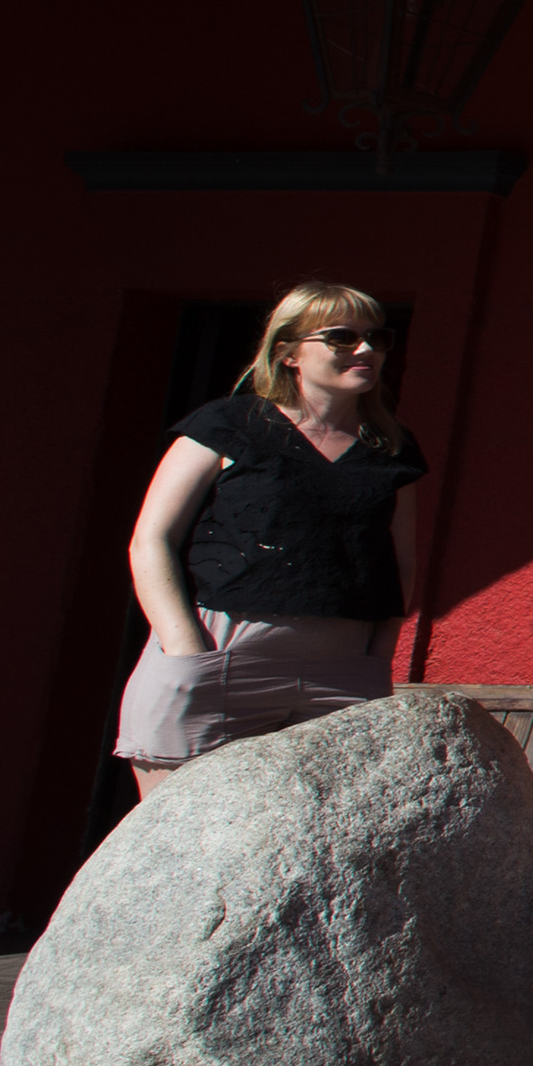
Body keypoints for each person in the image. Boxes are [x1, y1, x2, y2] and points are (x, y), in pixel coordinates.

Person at [119, 281, 428, 793]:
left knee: (322, 833)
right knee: (183, 831)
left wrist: (378, 657)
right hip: (221, 656)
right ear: (288, 353)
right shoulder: (227, 425)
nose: (366, 349)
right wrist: (185, 647)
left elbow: (400, 561)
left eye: (377, 337)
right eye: (341, 337)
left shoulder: (391, 447)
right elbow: (151, 539)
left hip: (343, 674)